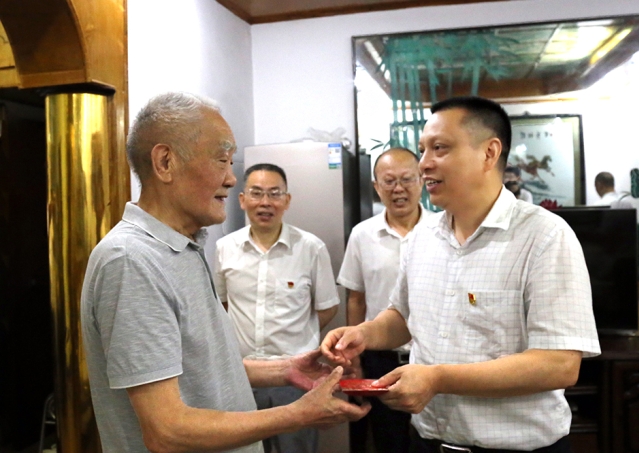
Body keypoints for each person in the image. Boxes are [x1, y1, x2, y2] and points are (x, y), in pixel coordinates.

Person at [80, 92, 369, 453]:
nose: (232, 179)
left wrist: (284, 370)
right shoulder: (131, 260)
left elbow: (200, 370)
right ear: (165, 162)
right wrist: (298, 414)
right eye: (221, 160)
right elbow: (167, 431)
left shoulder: (185, 246)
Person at [322, 96, 600, 452]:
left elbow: (558, 365)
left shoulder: (544, 236)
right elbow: (403, 317)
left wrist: (438, 378)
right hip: (427, 441)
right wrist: (363, 334)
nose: (424, 163)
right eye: (423, 150)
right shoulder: (423, 236)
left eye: (439, 148)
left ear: (489, 153)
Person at [213, 162, 340, 453]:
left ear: (287, 200)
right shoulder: (225, 248)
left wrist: (297, 336)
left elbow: (327, 308)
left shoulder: (311, 248)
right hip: (242, 377)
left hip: (295, 381)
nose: (265, 202)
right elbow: (222, 305)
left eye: (274, 193)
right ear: (242, 199)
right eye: (256, 193)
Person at [338, 147, 432, 453]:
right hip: (380, 358)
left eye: (407, 179)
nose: (398, 189)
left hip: (432, 357)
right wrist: (354, 360)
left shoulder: (443, 231)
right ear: (376, 187)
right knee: (388, 441)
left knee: (432, 439)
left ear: (421, 181)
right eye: (389, 181)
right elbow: (356, 299)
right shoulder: (362, 234)